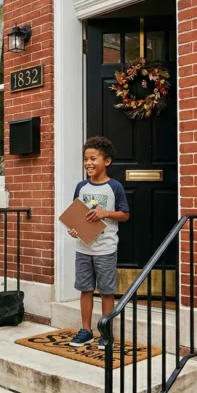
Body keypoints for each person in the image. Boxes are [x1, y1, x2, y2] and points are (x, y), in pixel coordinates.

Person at [67, 136, 129, 349]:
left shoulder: (114, 187)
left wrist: (106, 213)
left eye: (93, 158)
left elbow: (125, 215)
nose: (88, 163)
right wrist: (73, 229)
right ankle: (86, 330)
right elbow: (75, 214)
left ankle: (106, 332)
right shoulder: (81, 187)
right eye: (86, 159)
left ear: (107, 161)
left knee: (106, 291)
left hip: (105, 248)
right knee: (85, 289)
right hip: (83, 248)